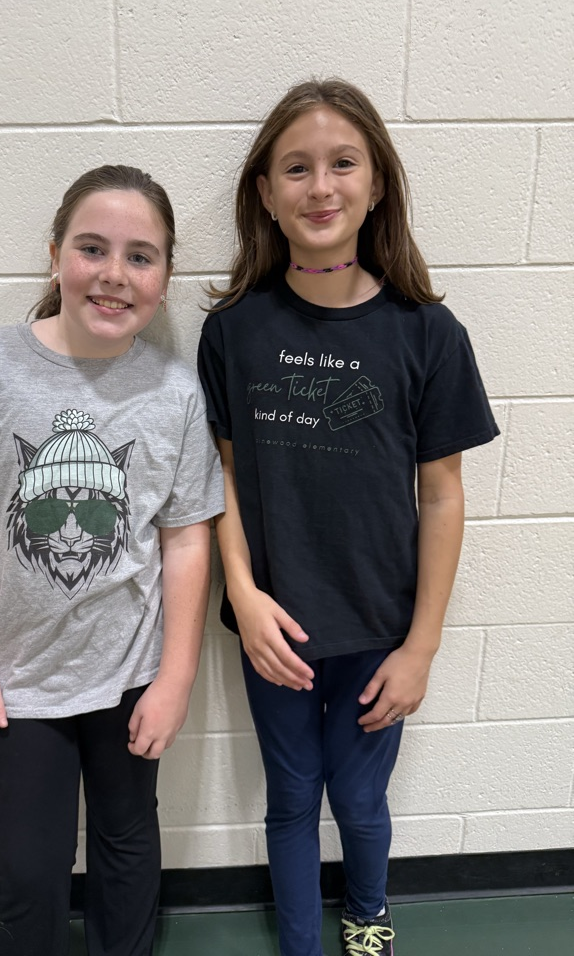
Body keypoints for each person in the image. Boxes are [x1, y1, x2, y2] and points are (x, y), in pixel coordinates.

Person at [197, 79, 499, 956]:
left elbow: (441, 493)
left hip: (379, 627)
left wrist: (423, 646)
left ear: (376, 186)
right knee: (291, 799)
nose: (320, 186)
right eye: (296, 168)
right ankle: (300, 942)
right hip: (276, 628)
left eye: (342, 164)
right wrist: (245, 597)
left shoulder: (426, 333)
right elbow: (221, 482)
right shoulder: (235, 331)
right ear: (265, 191)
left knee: (361, 801)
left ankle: (368, 920)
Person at [0, 164, 225, 956]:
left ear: (166, 276)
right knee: (31, 870)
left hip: (129, 674)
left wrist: (177, 674)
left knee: (127, 850)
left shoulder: (176, 393)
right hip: (16, 682)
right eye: (92, 248)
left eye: (141, 255)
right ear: (55, 255)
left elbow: (187, 537)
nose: (114, 274)